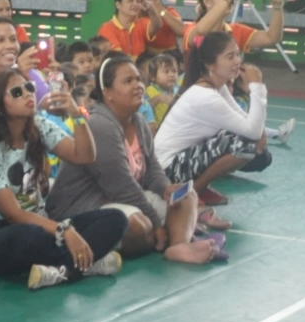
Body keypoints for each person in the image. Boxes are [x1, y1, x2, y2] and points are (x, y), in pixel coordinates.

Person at [0, 68, 128, 290]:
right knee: (30, 237)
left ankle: (63, 270)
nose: (28, 94)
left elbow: (84, 155)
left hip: (42, 225)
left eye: (29, 87)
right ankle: (84, 265)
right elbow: (14, 214)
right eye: (17, 92)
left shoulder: (39, 127)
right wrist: (65, 231)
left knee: (116, 218)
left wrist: (76, 114)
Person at [54, 55, 218, 265]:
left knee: (186, 197)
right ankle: (169, 235)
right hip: (88, 204)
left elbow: (152, 169)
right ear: (108, 92)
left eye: (139, 79)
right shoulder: (100, 126)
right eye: (128, 81)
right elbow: (120, 187)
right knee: (139, 227)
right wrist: (157, 223)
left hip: (124, 199)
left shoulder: (139, 121)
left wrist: (165, 188)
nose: (138, 86)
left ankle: (178, 247)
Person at [154, 32, 275, 203]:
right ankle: (194, 192)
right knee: (245, 144)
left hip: (180, 160)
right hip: (167, 171)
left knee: (250, 144)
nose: (238, 61)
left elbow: (246, 121)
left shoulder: (217, 87)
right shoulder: (206, 96)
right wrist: (257, 86)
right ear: (210, 64)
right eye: (230, 57)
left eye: (238, 54)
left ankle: (197, 188)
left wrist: (259, 133)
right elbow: (252, 132)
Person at [97, 0, 171, 58]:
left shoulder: (141, 23)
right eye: (130, 1)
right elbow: (118, 57)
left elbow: (158, 25)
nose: (135, 4)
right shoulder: (107, 28)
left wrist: (151, 10)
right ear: (118, 5)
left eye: (138, 1)